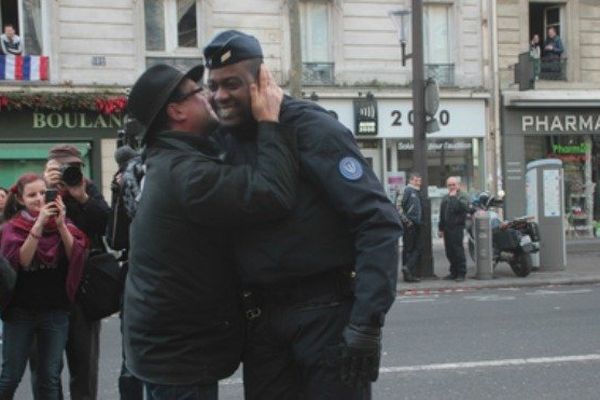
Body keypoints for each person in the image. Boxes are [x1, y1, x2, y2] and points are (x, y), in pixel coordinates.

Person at [204, 30, 402, 400]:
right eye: (212, 86)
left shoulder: (312, 128)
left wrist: (366, 323)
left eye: (232, 84)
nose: (220, 96)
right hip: (261, 323)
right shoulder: (221, 140)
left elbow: (377, 222)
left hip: (325, 317)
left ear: (263, 80)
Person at [123, 62, 298, 400]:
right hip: (178, 357)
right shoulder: (188, 175)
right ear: (176, 111)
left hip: (166, 349)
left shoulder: (167, 160)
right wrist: (269, 122)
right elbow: (273, 193)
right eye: (199, 91)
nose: (210, 97)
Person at [29, 145, 110, 400]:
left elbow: (104, 224)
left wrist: (81, 196)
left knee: (84, 367)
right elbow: (19, 228)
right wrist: (46, 189)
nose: (67, 172)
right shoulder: (39, 190)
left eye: (72, 167)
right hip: (44, 291)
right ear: (48, 168)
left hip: (82, 292)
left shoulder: (87, 189)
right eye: (60, 168)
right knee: (45, 369)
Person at [0, 173, 88, 399]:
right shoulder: (11, 228)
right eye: (32, 195)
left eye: (43, 193)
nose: (39, 199)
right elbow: (23, 260)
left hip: (55, 311)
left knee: (49, 377)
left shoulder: (63, 223)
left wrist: (60, 225)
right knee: (10, 376)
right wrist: (38, 224)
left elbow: (75, 255)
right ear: (20, 199)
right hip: (19, 313)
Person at [438, 176, 470, 282]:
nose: (451, 187)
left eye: (453, 184)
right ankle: (453, 272)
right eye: (449, 185)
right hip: (447, 228)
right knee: (449, 251)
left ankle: (461, 273)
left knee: (458, 250)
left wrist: (453, 198)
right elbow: (442, 214)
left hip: (457, 227)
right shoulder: (445, 197)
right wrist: (440, 228)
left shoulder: (463, 196)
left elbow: (460, 209)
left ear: (458, 185)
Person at [400, 172, 422, 283]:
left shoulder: (416, 192)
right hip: (410, 224)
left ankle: (408, 274)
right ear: (411, 180)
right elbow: (398, 206)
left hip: (415, 223)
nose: (420, 183)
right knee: (412, 248)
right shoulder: (407, 190)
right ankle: (407, 268)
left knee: (411, 248)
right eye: (417, 180)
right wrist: (406, 220)